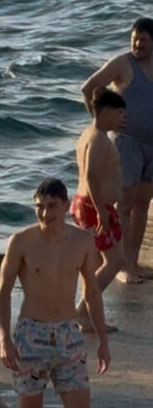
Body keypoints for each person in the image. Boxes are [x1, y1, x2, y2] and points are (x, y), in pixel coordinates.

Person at [0, 178, 114, 408]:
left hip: (68, 336)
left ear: (65, 207)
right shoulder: (22, 241)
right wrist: (4, 339)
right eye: (39, 206)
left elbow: (91, 291)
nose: (44, 213)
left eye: (51, 206)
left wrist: (103, 339)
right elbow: (2, 293)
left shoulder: (82, 240)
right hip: (30, 336)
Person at [80, 17, 153, 284]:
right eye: (134, 39)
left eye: (143, 40)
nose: (137, 44)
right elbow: (88, 88)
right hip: (128, 140)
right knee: (125, 201)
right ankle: (120, 265)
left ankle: (133, 263)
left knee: (143, 202)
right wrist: (99, 122)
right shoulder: (123, 64)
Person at [71, 88, 126, 332]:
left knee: (94, 263)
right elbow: (92, 174)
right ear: (106, 112)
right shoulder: (98, 138)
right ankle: (81, 311)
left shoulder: (88, 134)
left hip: (88, 203)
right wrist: (101, 211)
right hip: (95, 207)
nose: (121, 118)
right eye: (119, 113)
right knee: (115, 261)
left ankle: (90, 316)